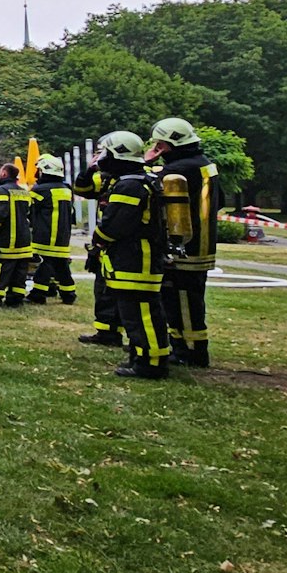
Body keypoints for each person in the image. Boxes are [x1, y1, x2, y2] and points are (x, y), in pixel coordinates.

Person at [88, 130, 170, 378]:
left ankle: (151, 364)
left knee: (141, 313)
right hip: (137, 258)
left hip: (135, 260)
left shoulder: (129, 185)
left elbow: (114, 224)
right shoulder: (138, 180)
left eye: (107, 152)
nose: (103, 158)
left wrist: (98, 241)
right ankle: (142, 357)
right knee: (137, 313)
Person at [147, 117, 219, 367]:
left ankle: (193, 351)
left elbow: (151, 186)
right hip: (200, 243)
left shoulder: (180, 169)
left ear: (171, 143)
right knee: (181, 299)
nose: (157, 148)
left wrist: (145, 163)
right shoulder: (202, 164)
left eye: (160, 144)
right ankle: (182, 345)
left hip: (186, 246)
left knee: (185, 302)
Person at [74, 162, 126, 347]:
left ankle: (134, 339)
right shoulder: (107, 179)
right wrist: (89, 171)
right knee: (103, 290)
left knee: (125, 295)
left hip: (122, 246)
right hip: (106, 247)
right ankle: (107, 333)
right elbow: (81, 188)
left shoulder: (130, 182)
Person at [25, 155, 77, 305]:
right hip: (63, 234)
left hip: (46, 234)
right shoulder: (66, 189)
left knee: (44, 264)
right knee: (61, 265)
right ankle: (69, 293)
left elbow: (28, 209)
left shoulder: (40, 190)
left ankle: (38, 294)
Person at [0, 164, 34, 307]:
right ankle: (15, 299)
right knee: (19, 273)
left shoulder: (1, 191)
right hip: (23, 242)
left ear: (4, 173)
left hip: (6, 242)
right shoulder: (24, 192)